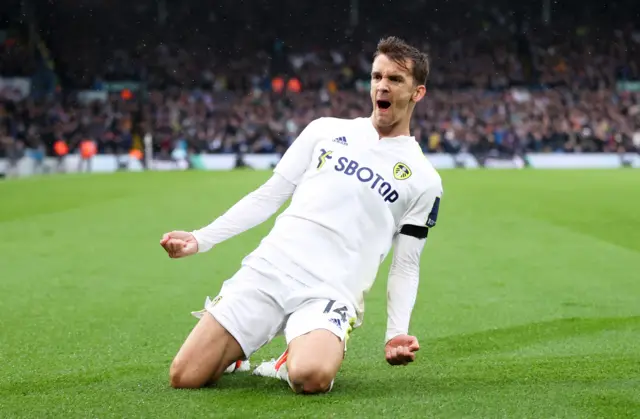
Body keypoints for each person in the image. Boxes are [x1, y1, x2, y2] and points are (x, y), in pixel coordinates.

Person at [159, 36, 443, 394]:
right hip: (271, 268)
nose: (382, 86)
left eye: (395, 80)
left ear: (418, 93)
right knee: (184, 377)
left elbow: (406, 265)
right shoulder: (325, 130)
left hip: (331, 291)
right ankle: (235, 352)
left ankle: (289, 358)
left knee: (310, 377)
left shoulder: (424, 179)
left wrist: (396, 331)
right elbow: (269, 195)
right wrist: (201, 239)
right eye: (377, 76)